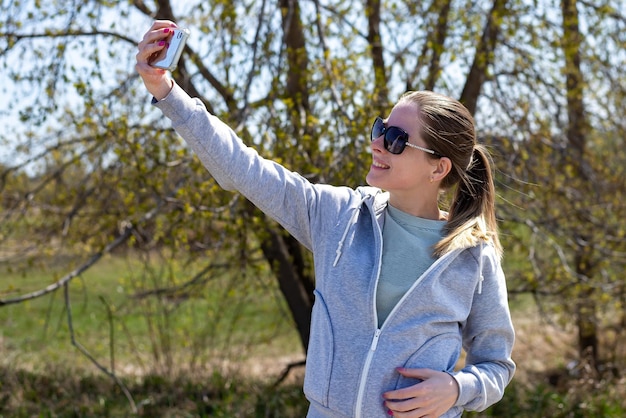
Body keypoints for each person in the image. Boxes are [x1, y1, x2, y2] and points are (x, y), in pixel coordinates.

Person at [136, 20, 515, 418]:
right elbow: (241, 168)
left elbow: (496, 364)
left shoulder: (473, 257)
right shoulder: (339, 217)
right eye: (381, 128)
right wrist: (165, 90)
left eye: (396, 140)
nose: (377, 143)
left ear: (437, 170)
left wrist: (457, 388)